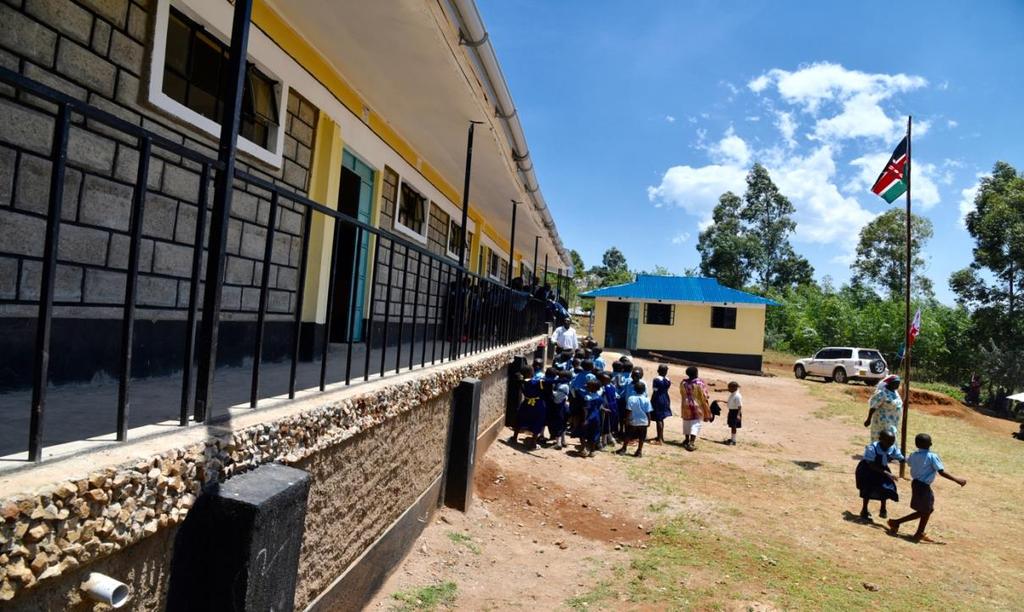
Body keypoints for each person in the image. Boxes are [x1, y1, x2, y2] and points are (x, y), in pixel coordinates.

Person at [887, 433, 966, 541]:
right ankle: (897, 523)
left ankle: (919, 532)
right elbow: (941, 472)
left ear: (916, 444)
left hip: (916, 484)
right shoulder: (932, 456)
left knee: (927, 509)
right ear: (930, 444)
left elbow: (908, 462)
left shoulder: (914, 455)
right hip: (923, 486)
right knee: (925, 510)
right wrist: (957, 480)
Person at [855, 428, 904, 520]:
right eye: (888, 441)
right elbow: (871, 464)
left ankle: (883, 509)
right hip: (868, 470)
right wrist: (888, 473)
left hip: (882, 470)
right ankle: (864, 510)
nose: (890, 444)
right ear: (880, 439)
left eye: (892, 442)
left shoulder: (891, 447)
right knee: (867, 489)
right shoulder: (872, 448)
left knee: (885, 488)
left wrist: (908, 460)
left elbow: (899, 457)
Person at [510, 365, 546, 448]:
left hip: (526, 403)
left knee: (520, 418)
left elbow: (524, 392)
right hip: (537, 404)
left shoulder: (522, 382)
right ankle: (533, 443)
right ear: (530, 373)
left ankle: (514, 437)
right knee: (538, 421)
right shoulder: (537, 382)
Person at [618, 381, 653, 457]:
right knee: (642, 437)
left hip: (633, 421)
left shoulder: (631, 398)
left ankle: (624, 449)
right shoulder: (646, 400)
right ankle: (639, 451)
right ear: (644, 390)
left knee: (628, 435)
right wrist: (649, 421)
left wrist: (626, 420)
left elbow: (629, 410)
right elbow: (648, 412)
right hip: (643, 422)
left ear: (634, 389)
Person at [679, 366, 711, 451]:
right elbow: (704, 395)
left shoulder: (683, 383)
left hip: (685, 404)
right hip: (696, 404)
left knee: (686, 421)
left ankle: (686, 439)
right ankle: (691, 442)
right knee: (695, 423)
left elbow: (681, 392)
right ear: (696, 373)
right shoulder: (699, 383)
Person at [866, 375, 903, 443]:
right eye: (896, 383)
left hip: (893, 421)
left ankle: (889, 451)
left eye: (898, 383)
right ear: (889, 383)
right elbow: (873, 407)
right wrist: (868, 419)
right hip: (882, 421)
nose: (897, 385)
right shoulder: (881, 393)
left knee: (891, 436)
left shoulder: (895, 393)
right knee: (883, 437)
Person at [580, 379, 607, 457]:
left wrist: (585, 420)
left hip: (588, 418)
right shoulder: (599, 397)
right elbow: (599, 407)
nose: (586, 387)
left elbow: (586, 409)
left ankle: (584, 450)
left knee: (582, 434)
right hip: (597, 418)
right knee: (594, 434)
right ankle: (592, 451)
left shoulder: (587, 397)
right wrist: (604, 409)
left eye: (588, 386)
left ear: (591, 388)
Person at [548, 369, 572, 450]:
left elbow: (557, 398)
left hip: (560, 408)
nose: (558, 378)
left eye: (560, 377)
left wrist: (551, 391)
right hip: (564, 407)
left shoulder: (563, 386)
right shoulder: (565, 385)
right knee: (563, 425)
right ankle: (563, 441)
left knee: (558, 424)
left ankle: (558, 443)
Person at [650, 364, 672, 445]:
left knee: (658, 419)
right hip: (665, 398)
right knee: (661, 419)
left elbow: (655, 391)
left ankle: (659, 440)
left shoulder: (656, 380)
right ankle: (660, 436)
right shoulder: (668, 380)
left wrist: (652, 401)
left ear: (658, 371)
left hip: (658, 399)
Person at [598, 372, 618, 447]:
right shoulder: (609, 387)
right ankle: (606, 440)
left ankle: (605, 441)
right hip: (607, 408)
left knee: (606, 424)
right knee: (605, 425)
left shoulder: (606, 388)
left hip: (608, 408)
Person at [725, 381, 742, 446]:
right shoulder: (733, 393)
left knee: (734, 426)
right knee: (732, 425)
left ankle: (734, 440)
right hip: (731, 411)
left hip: (735, 412)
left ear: (734, 388)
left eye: (729, 388)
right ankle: (732, 439)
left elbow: (740, 406)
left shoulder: (737, 396)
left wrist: (738, 415)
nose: (728, 389)